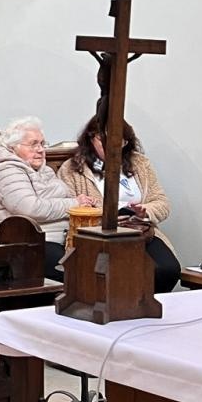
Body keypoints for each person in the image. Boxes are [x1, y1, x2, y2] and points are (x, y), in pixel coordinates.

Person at [60, 116, 181, 293]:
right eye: (104, 141)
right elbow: (71, 210)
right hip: (101, 236)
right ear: (91, 137)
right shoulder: (72, 169)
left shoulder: (139, 163)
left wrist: (144, 212)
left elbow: (161, 202)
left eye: (120, 142)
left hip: (140, 231)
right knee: (122, 276)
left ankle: (145, 309)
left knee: (167, 270)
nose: (112, 147)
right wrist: (109, 217)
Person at [0, 118, 97, 279]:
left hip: (58, 240)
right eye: (33, 144)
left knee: (104, 263)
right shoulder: (7, 169)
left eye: (42, 144)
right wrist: (74, 203)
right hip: (23, 244)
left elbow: (52, 200)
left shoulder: (44, 170)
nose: (40, 150)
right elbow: (31, 208)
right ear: (13, 147)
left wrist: (79, 201)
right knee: (75, 273)